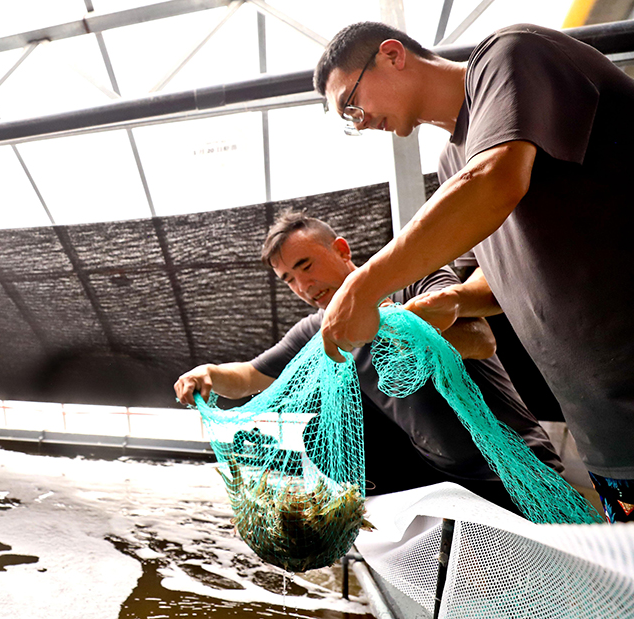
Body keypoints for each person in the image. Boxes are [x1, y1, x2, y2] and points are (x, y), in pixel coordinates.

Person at [312, 21, 634, 522]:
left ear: (392, 55)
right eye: (350, 120)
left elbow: (495, 179)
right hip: (610, 440)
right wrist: (454, 302)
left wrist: (363, 285)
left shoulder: (509, 57)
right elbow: (497, 285)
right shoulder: (453, 162)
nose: (362, 121)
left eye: (353, 104)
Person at [174, 211, 562, 511]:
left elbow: (481, 340)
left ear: (342, 250)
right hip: (449, 487)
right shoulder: (318, 330)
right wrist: (207, 372)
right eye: (288, 279)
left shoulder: (412, 282)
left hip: (518, 466)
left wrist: (391, 326)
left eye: (306, 266)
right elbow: (247, 378)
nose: (303, 287)